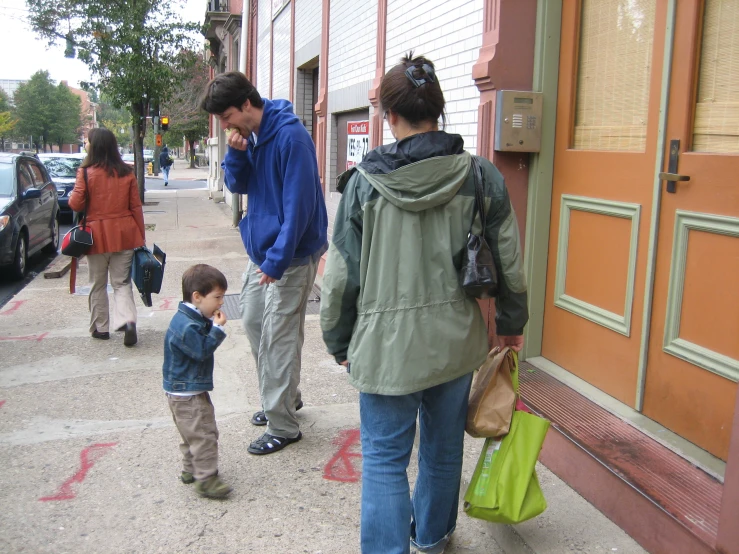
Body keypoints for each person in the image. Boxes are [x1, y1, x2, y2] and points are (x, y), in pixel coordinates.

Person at [320, 53, 529, 554]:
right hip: (457, 343)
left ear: (390, 117)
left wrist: (338, 339)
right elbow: (510, 264)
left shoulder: (363, 186)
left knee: (386, 459)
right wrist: (511, 323)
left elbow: (341, 279)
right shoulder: (481, 177)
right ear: (439, 110)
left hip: (385, 348)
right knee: (442, 449)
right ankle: (432, 539)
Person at [200, 72, 328, 455]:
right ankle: (287, 398)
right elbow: (238, 186)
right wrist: (235, 153)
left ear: (245, 105)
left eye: (226, 117)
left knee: (278, 338)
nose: (224, 126)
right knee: (254, 322)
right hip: (265, 254)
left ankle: (283, 425)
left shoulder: (291, 138)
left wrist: (276, 260)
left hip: (291, 254)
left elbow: (299, 209)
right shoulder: (250, 137)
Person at [68, 127, 145, 347]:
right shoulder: (127, 172)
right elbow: (135, 207)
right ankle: (128, 319)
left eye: (87, 142)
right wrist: (140, 236)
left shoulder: (85, 172)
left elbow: (75, 204)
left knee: (97, 283)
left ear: (94, 146)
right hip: (125, 233)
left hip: (96, 235)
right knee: (121, 282)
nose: (85, 145)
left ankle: (101, 328)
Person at [163, 264, 232, 499]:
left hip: (184, 390)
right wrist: (217, 330)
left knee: (190, 434)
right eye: (217, 297)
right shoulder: (187, 326)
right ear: (197, 296)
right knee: (204, 434)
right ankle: (207, 480)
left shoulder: (189, 317)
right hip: (188, 393)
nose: (221, 302)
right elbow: (201, 351)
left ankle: (190, 470)